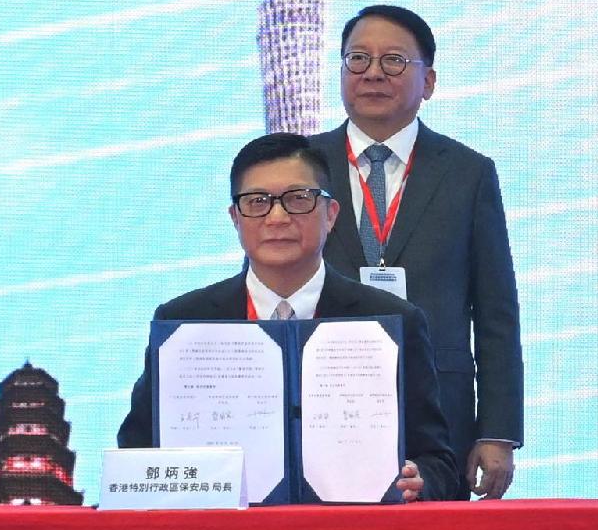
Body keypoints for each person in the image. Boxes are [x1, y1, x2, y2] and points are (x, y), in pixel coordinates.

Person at [120, 132, 456, 501]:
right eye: (257, 201)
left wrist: (420, 479)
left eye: (298, 199)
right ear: (235, 218)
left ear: (331, 214)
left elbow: (438, 461)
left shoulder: (392, 320)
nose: (277, 217)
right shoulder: (185, 321)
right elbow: (137, 451)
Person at [313, 4, 524, 499]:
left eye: (393, 61)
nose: (373, 74)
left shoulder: (468, 173)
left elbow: (496, 310)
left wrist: (497, 429)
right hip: (323, 404)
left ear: (428, 82)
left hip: (440, 414)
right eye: (358, 60)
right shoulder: (301, 167)